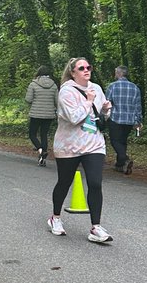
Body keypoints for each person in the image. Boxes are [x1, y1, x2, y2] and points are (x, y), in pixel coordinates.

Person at [48, 57, 113, 243]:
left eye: (88, 67)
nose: (86, 70)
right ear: (73, 72)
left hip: (94, 144)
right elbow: (75, 117)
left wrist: (106, 110)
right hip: (69, 145)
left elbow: (99, 116)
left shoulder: (97, 88)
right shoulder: (66, 92)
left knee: (95, 183)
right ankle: (55, 217)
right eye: (81, 68)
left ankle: (96, 227)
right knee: (64, 182)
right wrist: (88, 101)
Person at [105, 66, 143, 175]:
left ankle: (124, 159)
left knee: (115, 141)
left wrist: (104, 116)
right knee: (122, 141)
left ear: (119, 73)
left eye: (116, 72)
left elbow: (106, 103)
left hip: (116, 118)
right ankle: (119, 165)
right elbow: (138, 106)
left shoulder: (112, 86)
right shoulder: (135, 88)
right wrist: (138, 121)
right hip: (129, 119)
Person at [25, 66, 59, 166]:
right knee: (44, 134)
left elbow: (28, 99)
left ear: (38, 73)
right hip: (49, 115)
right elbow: (57, 102)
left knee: (32, 134)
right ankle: (43, 155)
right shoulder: (54, 86)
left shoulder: (33, 84)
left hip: (36, 113)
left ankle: (40, 150)